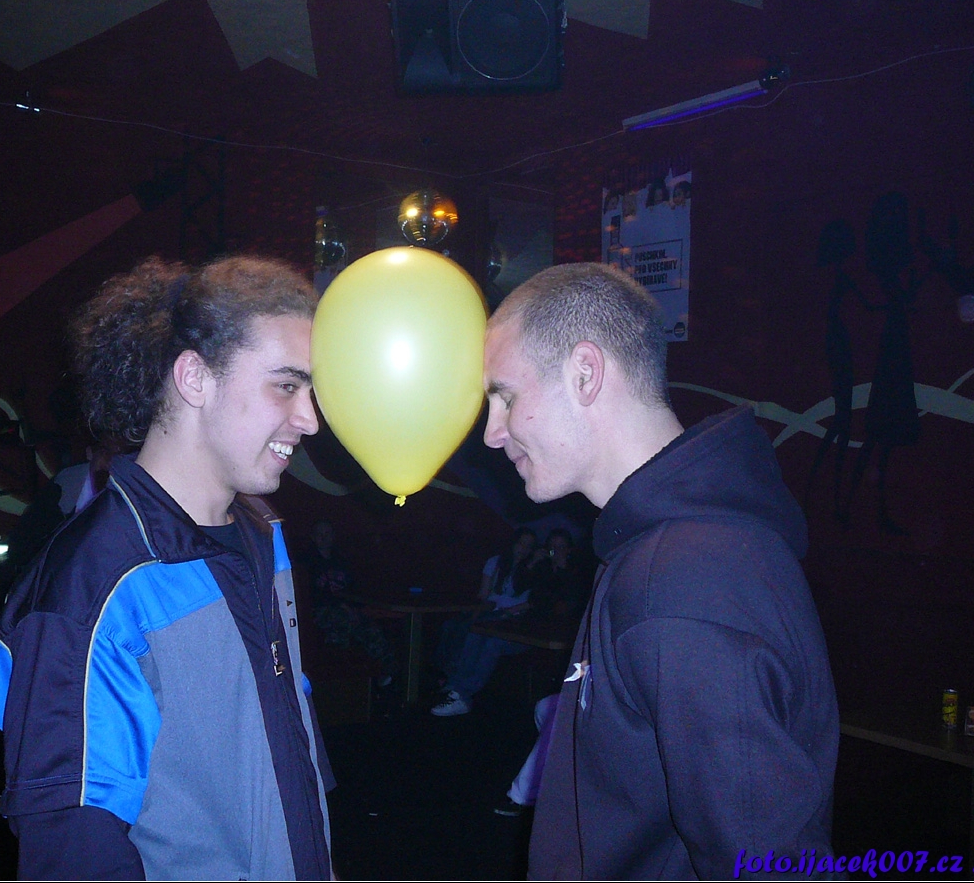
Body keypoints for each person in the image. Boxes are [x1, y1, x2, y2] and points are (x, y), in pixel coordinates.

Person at [482, 262, 838, 878]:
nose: (492, 432)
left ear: (585, 373)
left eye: (504, 396)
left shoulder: (683, 580)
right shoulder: (664, 550)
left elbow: (764, 862)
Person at [0, 255, 333, 880]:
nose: (310, 418)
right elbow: (74, 849)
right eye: (287, 385)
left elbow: (285, 741)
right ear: (194, 378)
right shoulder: (91, 589)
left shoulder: (263, 533)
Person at [431, 527, 537, 717]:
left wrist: (509, 611)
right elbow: (483, 594)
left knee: (479, 633)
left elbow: (534, 601)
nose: (523, 549)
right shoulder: (496, 562)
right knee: (454, 626)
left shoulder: (534, 567)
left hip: (511, 617)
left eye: (528, 546)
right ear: (513, 543)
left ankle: (459, 689)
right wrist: (474, 610)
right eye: (521, 543)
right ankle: (451, 679)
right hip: (491, 611)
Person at [301, 517, 396, 687]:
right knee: (341, 625)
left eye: (327, 533)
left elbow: (354, 589)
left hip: (347, 610)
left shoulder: (341, 560)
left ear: (333, 535)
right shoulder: (307, 562)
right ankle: (339, 681)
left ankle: (384, 674)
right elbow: (310, 595)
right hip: (320, 612)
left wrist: (354, 607)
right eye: (319, 534)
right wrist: (340, 606)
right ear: (313, 537)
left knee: (371, 628)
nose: (323, 537)